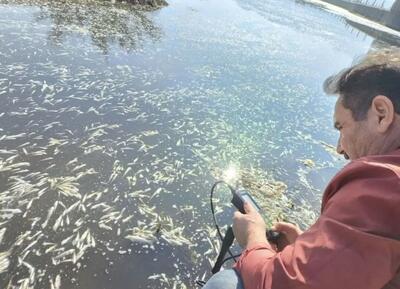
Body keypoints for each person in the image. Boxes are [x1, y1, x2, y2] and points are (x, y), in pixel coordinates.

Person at [203, 48, 400, 289]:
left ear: (381, 114)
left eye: (341, 127)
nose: (339, 148)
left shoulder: (384, 187)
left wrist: (253, 238)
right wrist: (315, 250)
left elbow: (275, 283)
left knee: (225, 283)